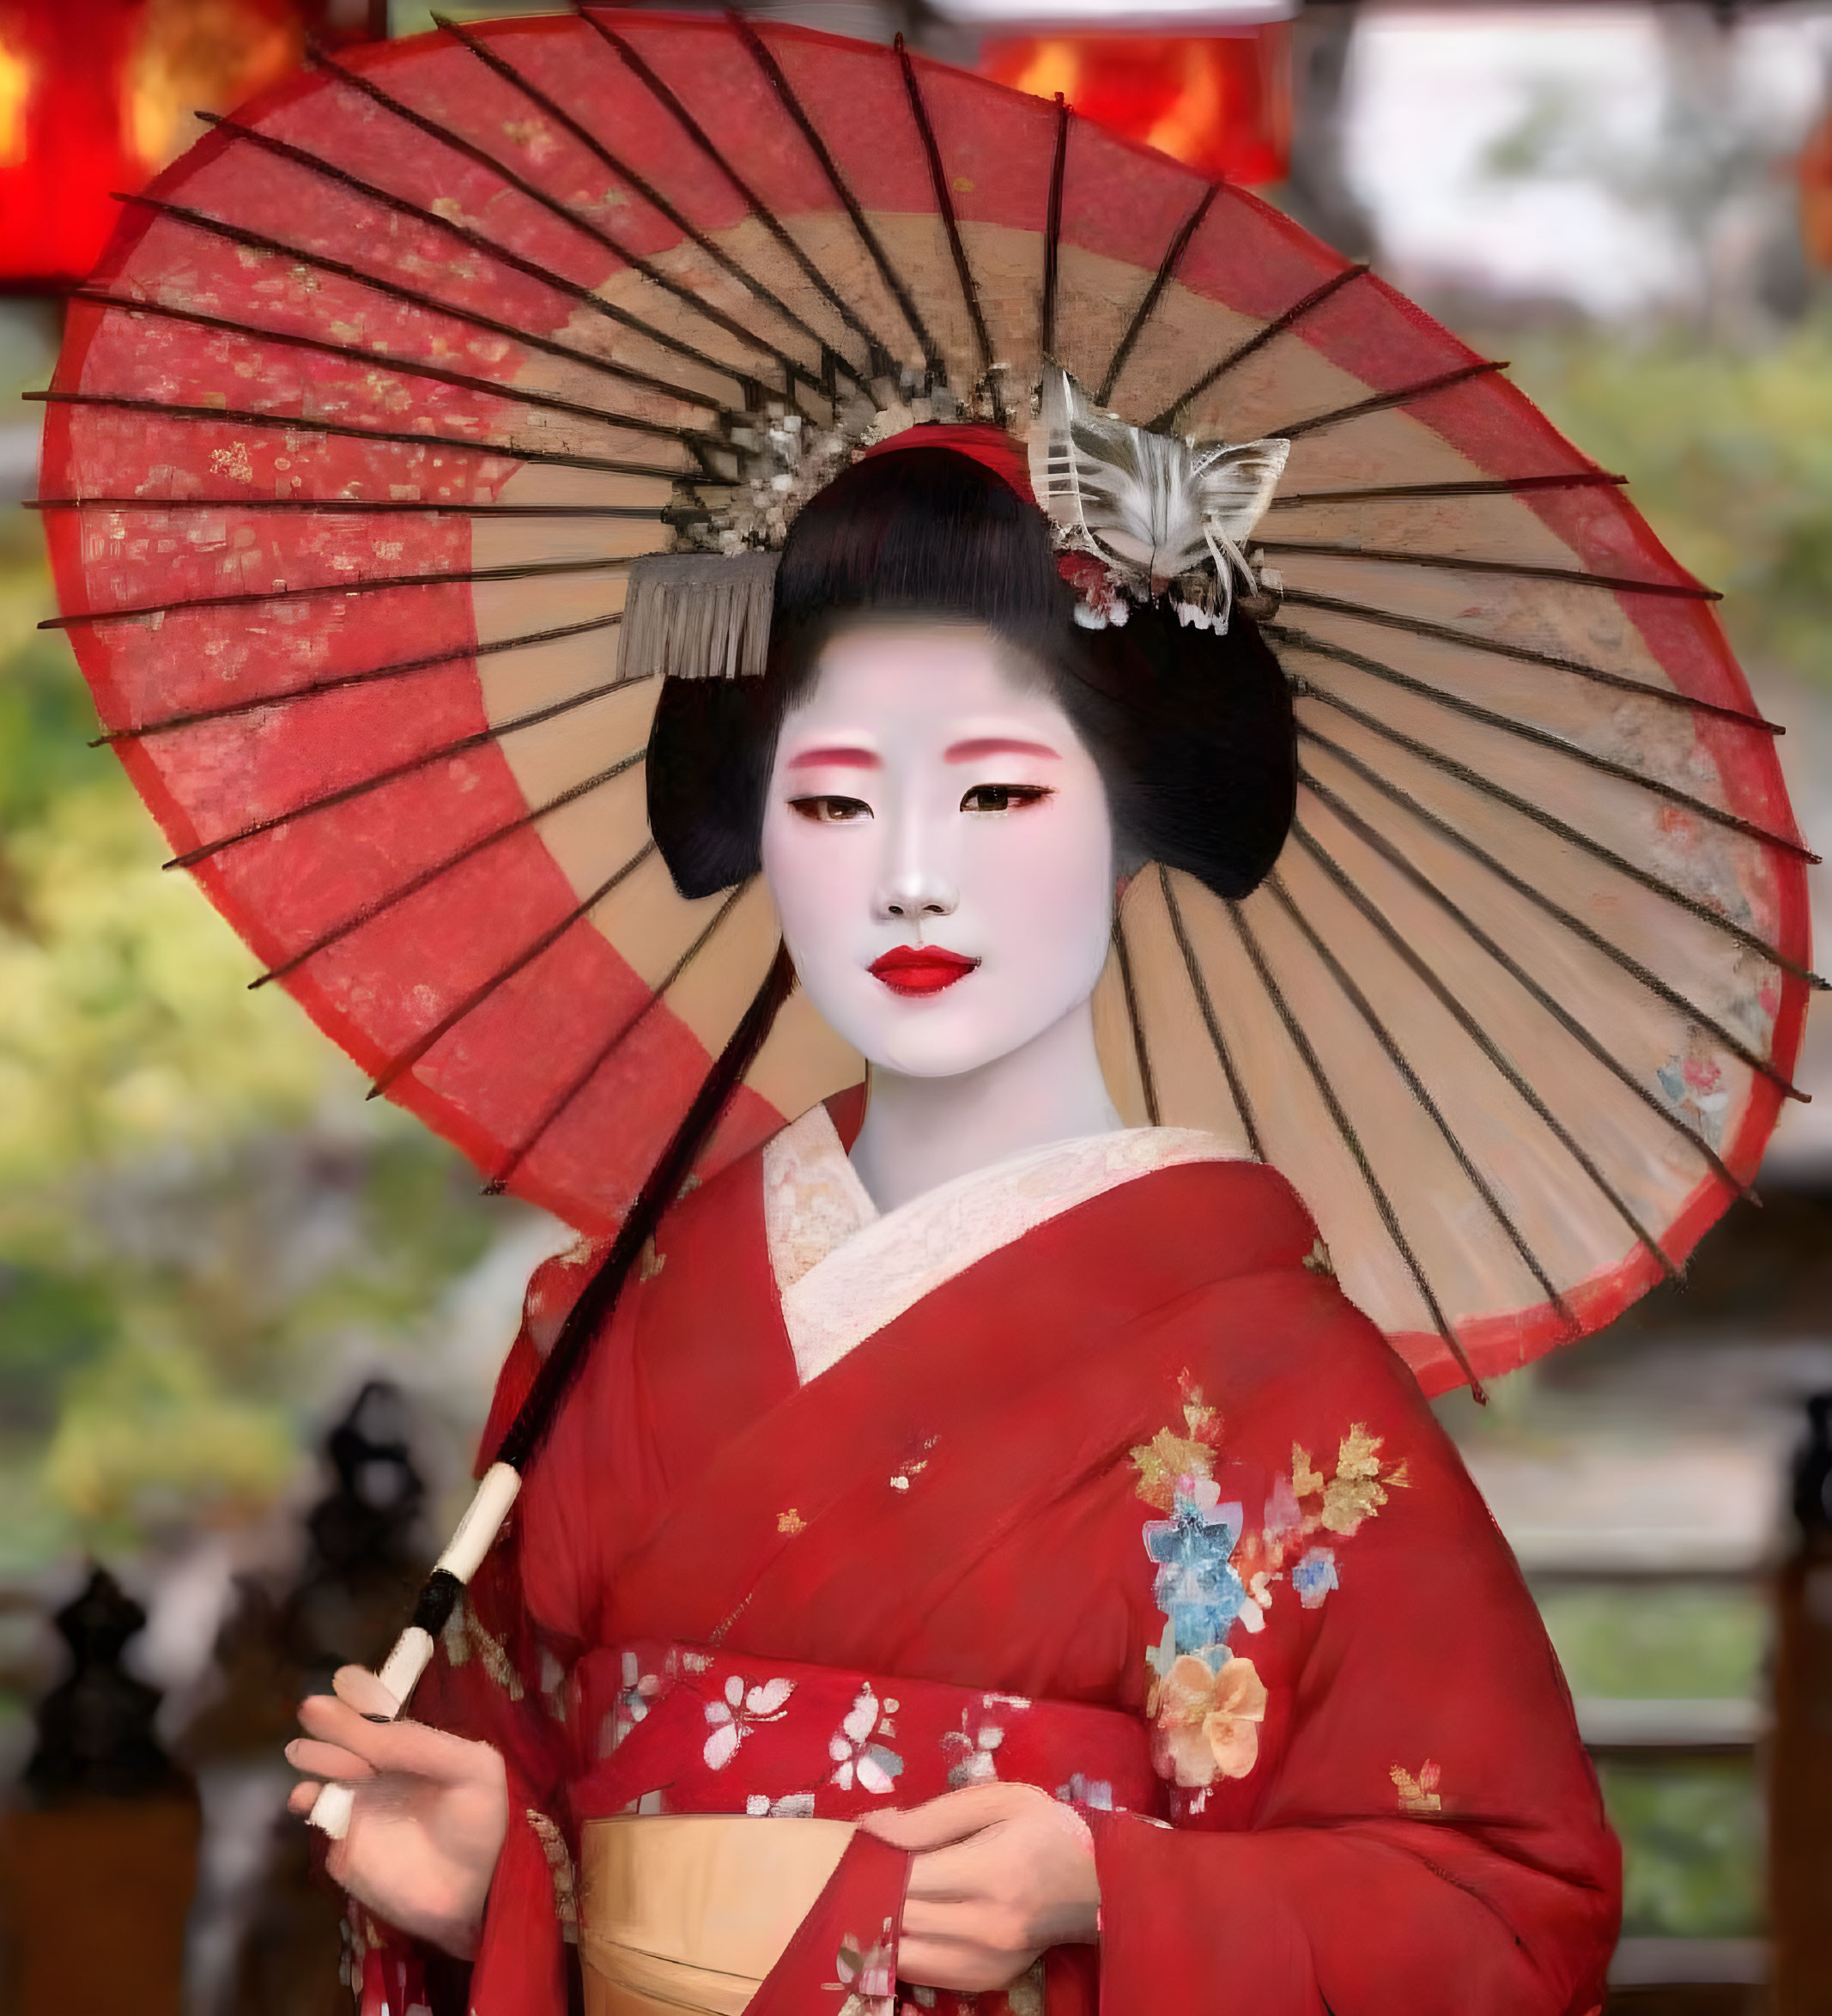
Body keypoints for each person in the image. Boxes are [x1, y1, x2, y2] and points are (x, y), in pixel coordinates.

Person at [286, 440, 1620, 2016]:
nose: (908, 880)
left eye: (994, 790)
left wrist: (1108, 1894)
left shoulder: (1270, 1378)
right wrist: (492, 1889)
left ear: (1136, 820)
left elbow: (1506, 1918)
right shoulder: (599, 1324)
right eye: (832, 800)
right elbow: (567, 1850)